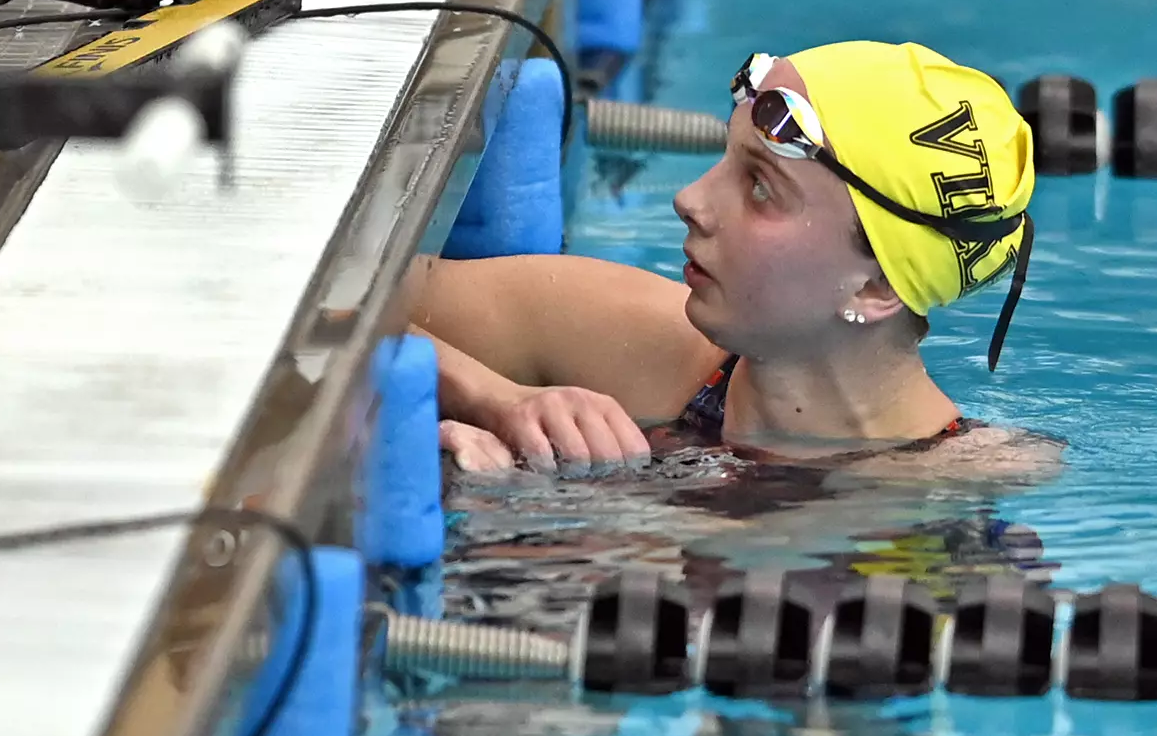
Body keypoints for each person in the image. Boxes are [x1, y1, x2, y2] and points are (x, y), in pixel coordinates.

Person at [407, 40, 1064, 481]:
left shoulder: (961, 495)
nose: (689, 199)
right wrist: (493, 398)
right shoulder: (632, 337)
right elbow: (334, 294)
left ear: (874, 287)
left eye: (759, 188)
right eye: (727, 156)